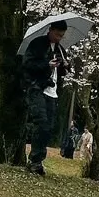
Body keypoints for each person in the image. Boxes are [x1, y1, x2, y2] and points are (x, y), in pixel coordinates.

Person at [22, 19, 68, 176]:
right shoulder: (38, 44)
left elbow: (61, 73)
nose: (59, 38)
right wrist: (46, 64)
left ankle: (39, 160)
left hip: (52, 92)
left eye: (61, 35)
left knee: (48, 127)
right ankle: (34, 160)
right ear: (50, 30)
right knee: (40, 122)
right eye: (57, 34)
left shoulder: (61, 49)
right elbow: (27, 64)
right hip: (37, 87)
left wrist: (64, 66)